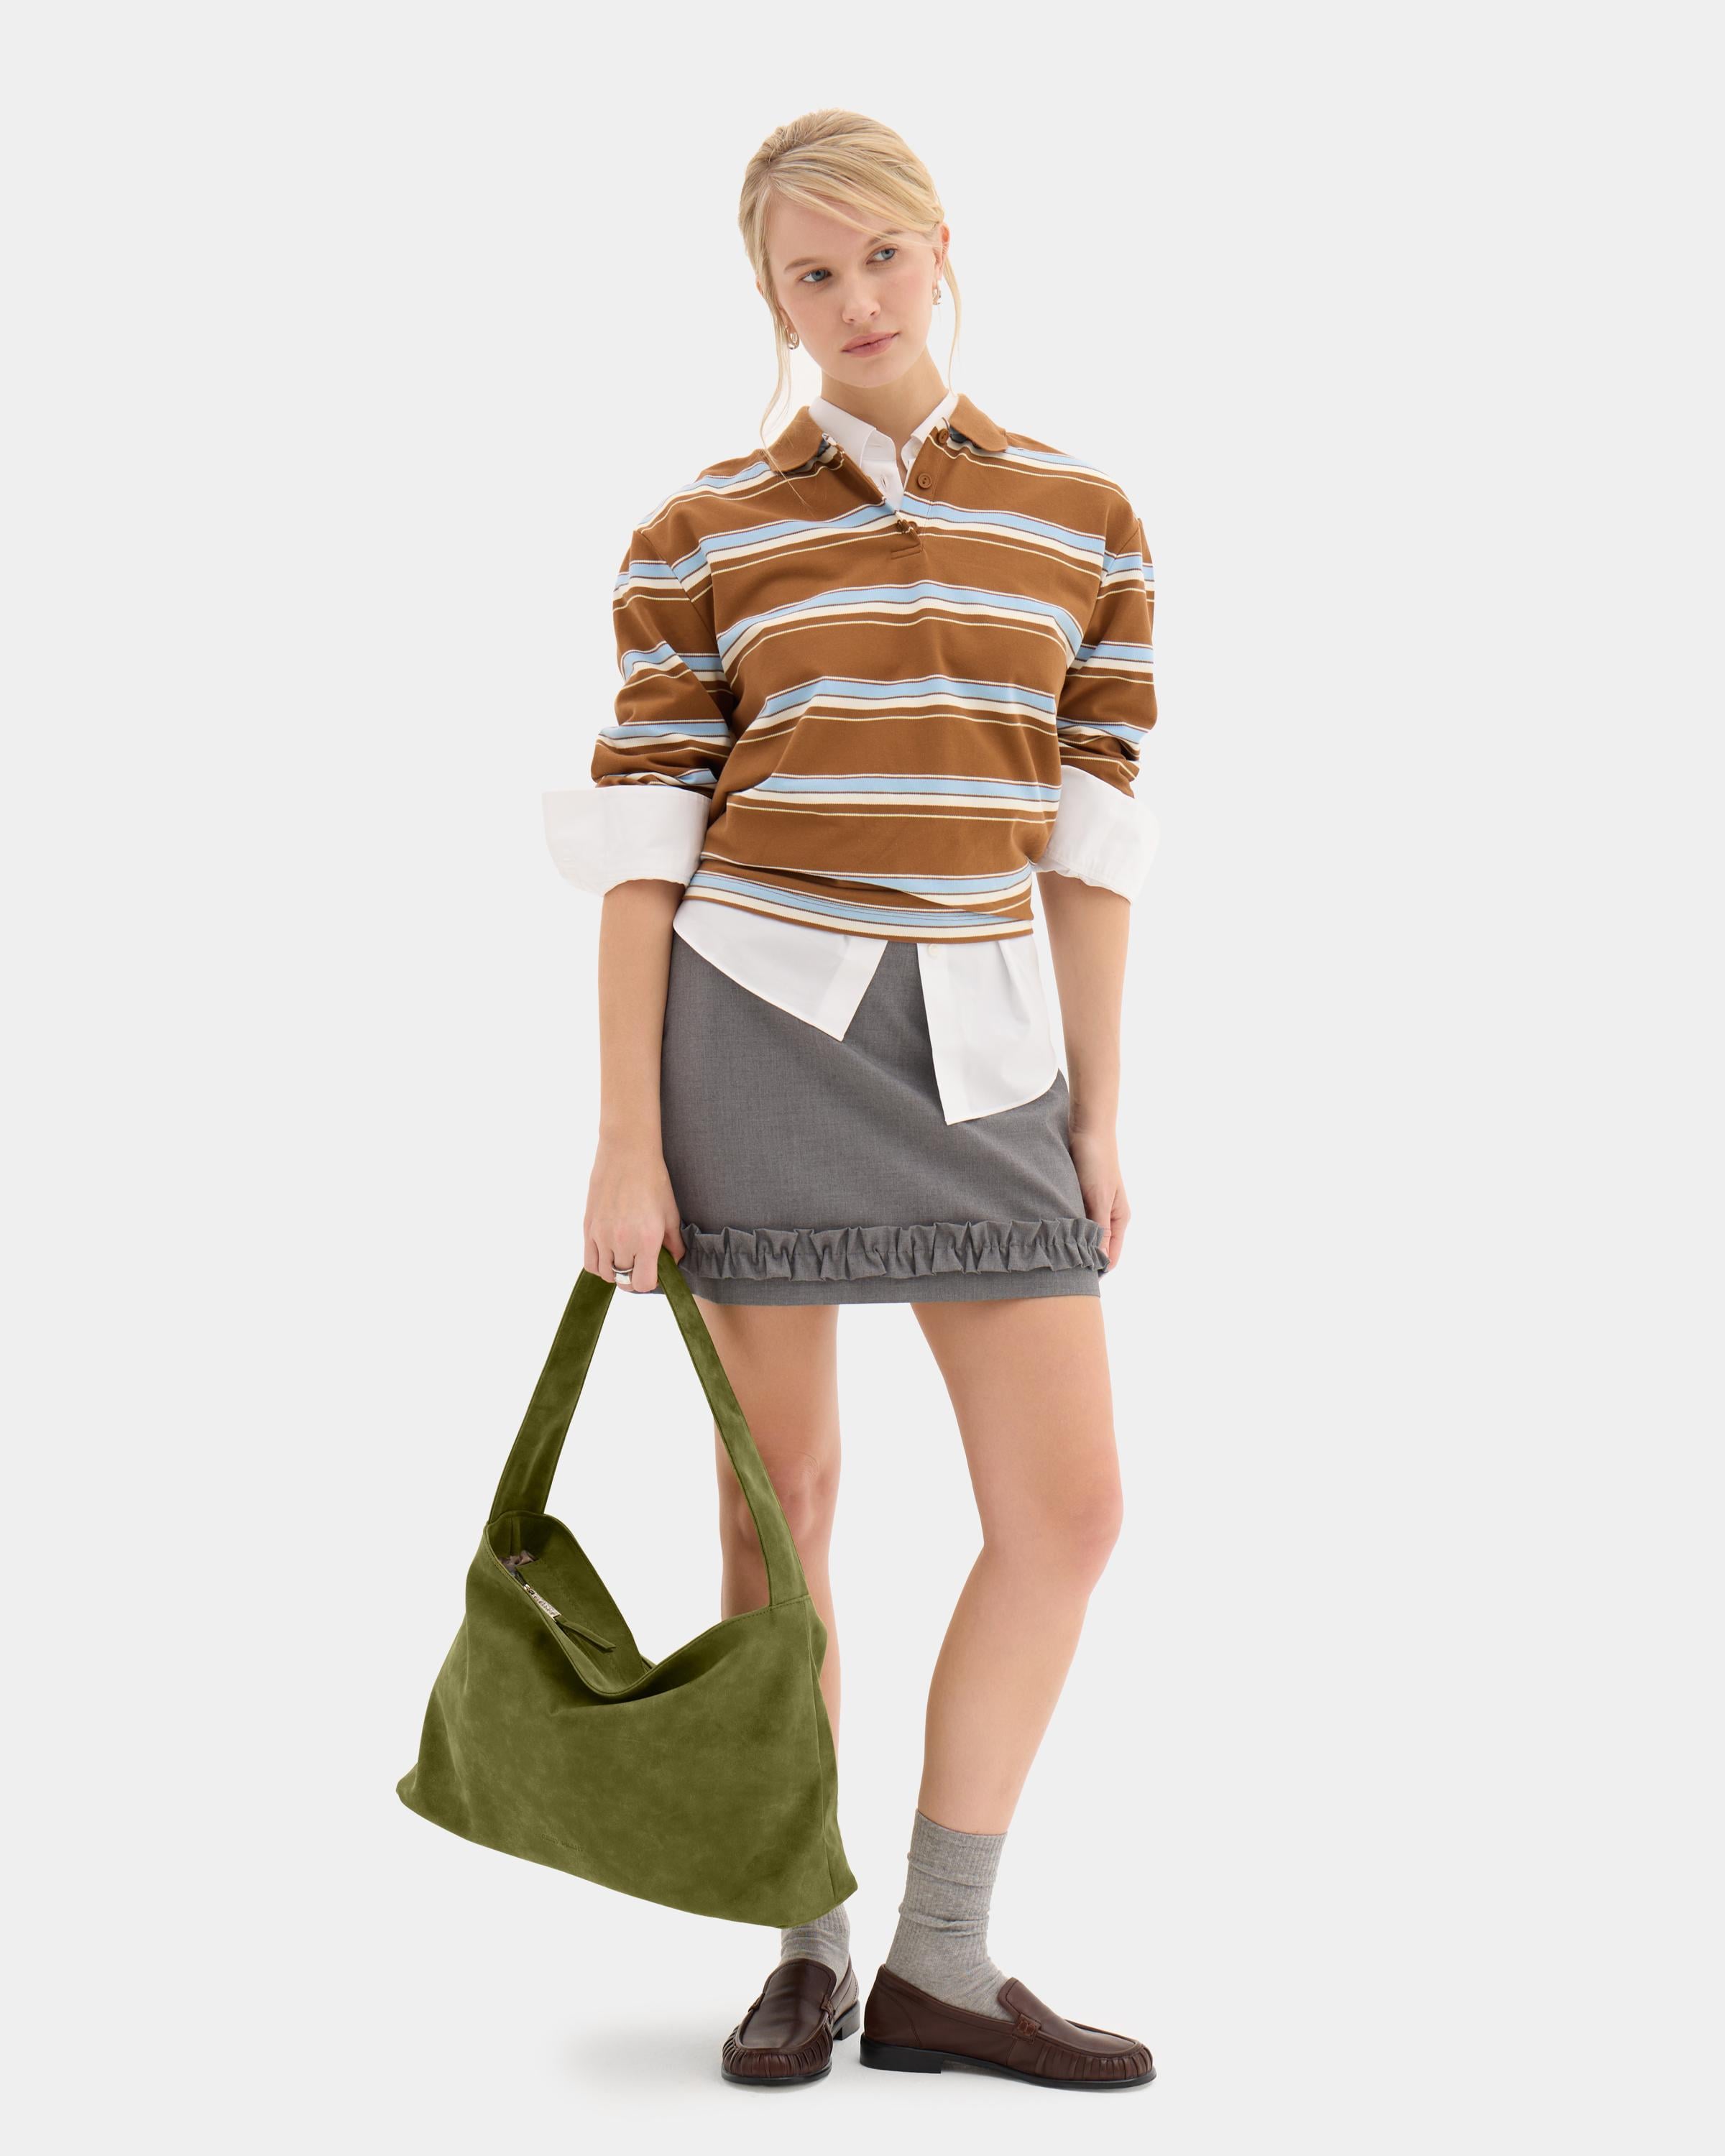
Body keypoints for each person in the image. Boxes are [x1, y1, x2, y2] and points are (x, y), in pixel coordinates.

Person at [543, 108, 1159, 2093]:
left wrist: (1098, 1113)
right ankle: (803, 1948)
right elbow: (645, 850)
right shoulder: (701, 529)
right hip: (758, 1034)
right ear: (772, 300)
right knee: (778, 1505)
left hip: (987, 1054)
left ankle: (944, 1962)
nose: (858, 300)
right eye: (813, 274)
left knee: (1068, 1511)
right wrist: (625, 1138)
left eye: (882, 255)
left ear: (939, 246)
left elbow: (1091, 843)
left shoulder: (1082, 516)